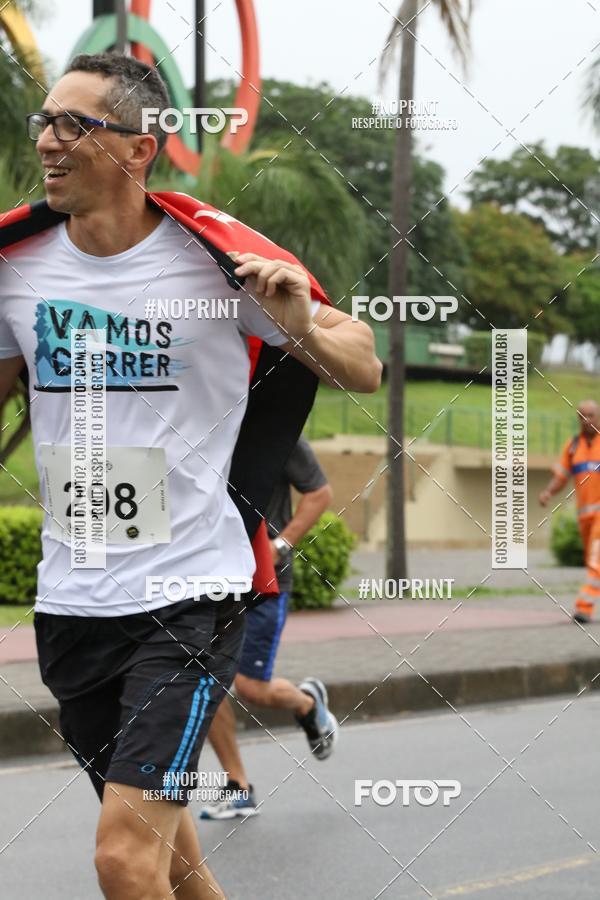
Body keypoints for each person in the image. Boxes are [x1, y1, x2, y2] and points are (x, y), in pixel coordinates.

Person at [0, 52, 382, 900]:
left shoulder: (217, 262)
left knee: (121, 860)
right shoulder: (16, 269)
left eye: (75, 125)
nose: (49, 142)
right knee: (171, 861)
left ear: (140, 150)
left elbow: (364, 365)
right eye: (45, 123)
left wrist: (299, 325)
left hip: (192, 594)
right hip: (74, 599)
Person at [201, 436, 334, 820]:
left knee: (251, 687)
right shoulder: (201, 419)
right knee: (206, 681)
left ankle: (308, 706)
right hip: (209, 576)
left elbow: (319, 493)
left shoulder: (280, 426)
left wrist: (280, 545)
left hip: (264, 580)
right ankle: (237, 786)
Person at [540, 399, 600, 624]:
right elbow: (561, 476)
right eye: (582, 416)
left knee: (596, 560)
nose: (587, 420)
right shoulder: (573, 445)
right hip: (585, 516)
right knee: (593, 561)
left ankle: (583, 608)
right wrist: (548, 492)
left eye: (591, 415)